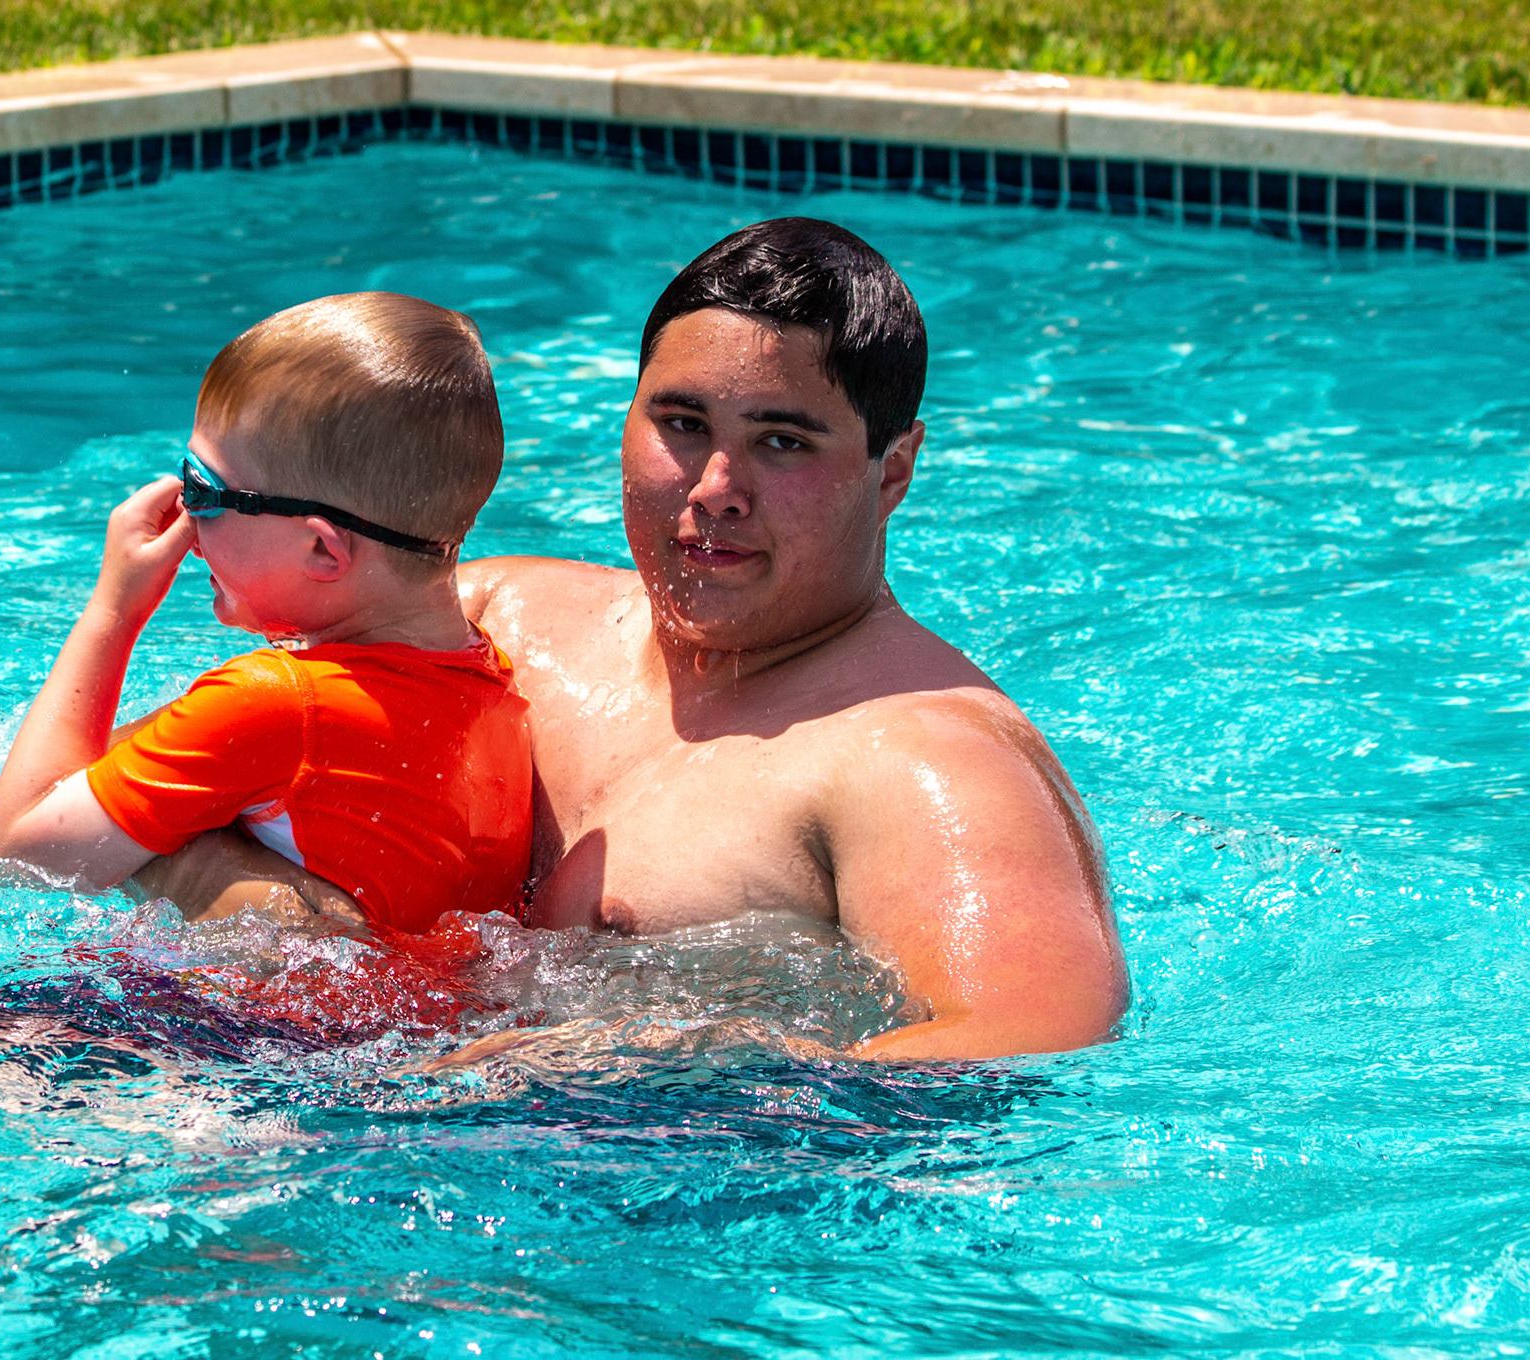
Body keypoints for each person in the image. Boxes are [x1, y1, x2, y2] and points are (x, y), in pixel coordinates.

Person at [139, 219, 1130, 1062]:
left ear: (895, 469)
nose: (717, 489)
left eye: (783, 442)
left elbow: (1035, 1034)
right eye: (683, 423)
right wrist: (261, 907)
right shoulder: (488, 619)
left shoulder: (929, 761)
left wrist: (670, 1060)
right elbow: (136, 795)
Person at [0, 292, 533, 933]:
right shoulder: (486, 680)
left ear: (321, 549)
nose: (183, 517)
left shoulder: (274, 703)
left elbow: (17, 855)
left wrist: (114, 610)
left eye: (202, 490)